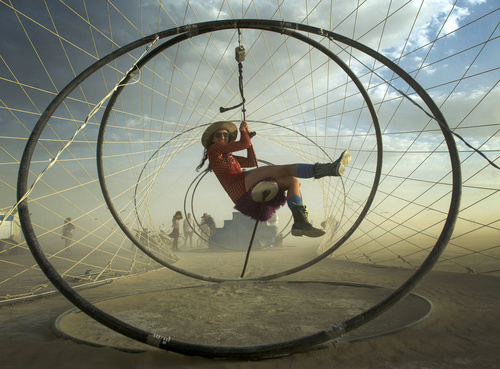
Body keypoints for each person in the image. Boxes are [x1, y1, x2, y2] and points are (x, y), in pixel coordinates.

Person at [197, 120, 351, 237]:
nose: (223, 136)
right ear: (213, 140)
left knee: (292, 181)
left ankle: (300, 222)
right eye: (219, 135)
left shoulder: (231, 157)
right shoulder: (214, 149)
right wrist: (243, 131)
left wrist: (249, 144)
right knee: (284, 169)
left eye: (226, 134)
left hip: (242, 186)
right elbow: (243, 143)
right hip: (238, 186)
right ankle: (330, 168)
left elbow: (251, 162)